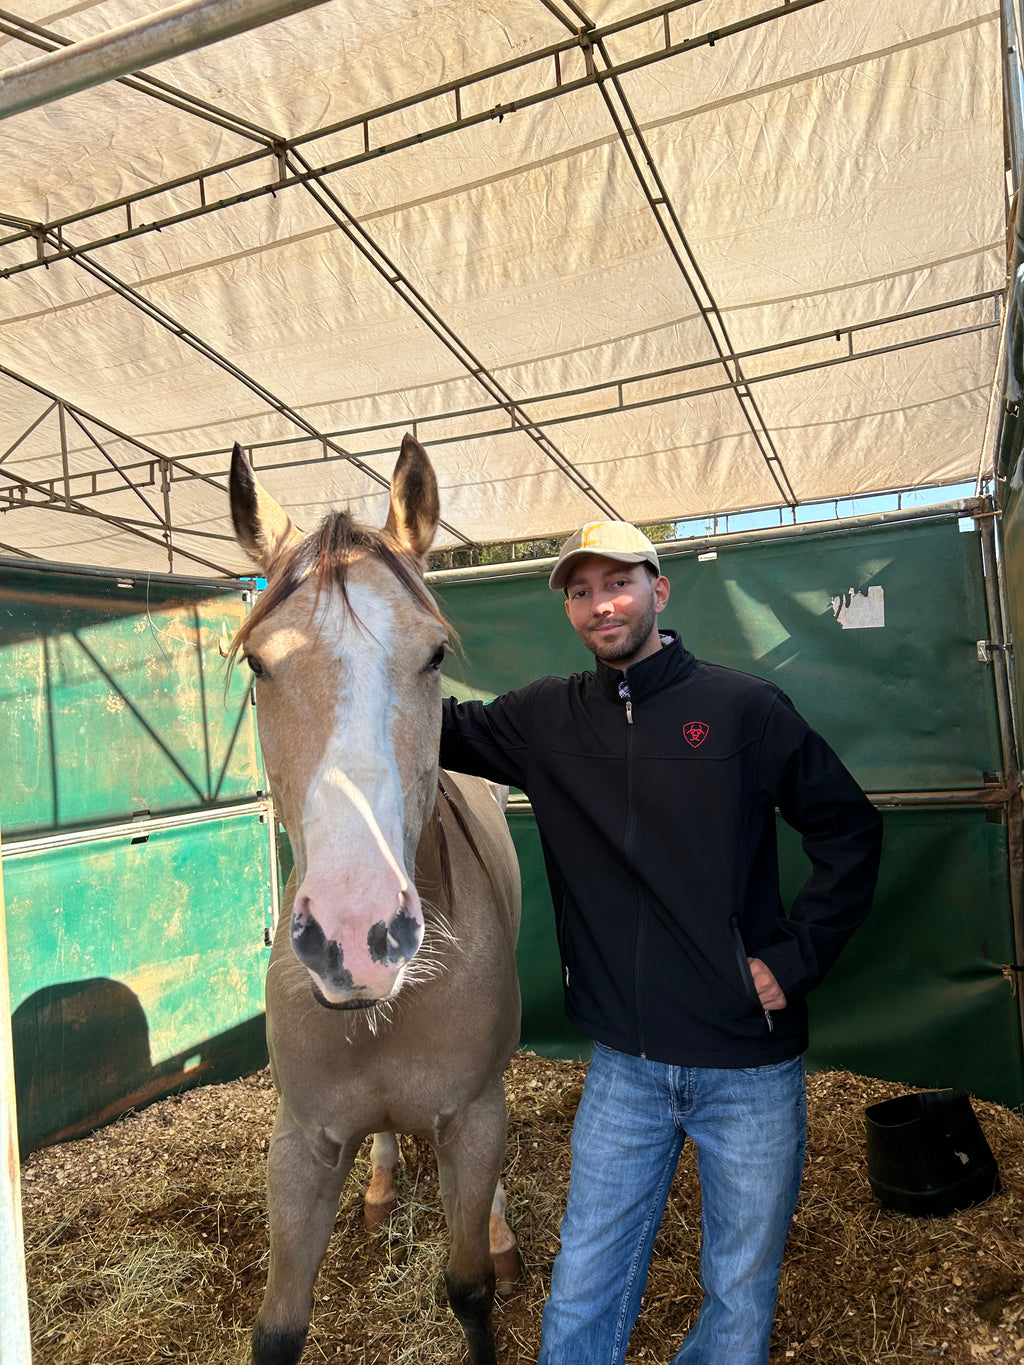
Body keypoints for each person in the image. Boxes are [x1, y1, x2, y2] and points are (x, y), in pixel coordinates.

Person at [439, 520, 883, 1365]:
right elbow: (435, 725)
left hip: (747, 1068)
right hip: (626, 1071)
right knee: (581, 1287)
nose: (601, 603)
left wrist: (794, 959)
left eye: (618, 583)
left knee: (737, 1293)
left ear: (659, 590)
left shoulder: (742, 708)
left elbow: (850, 830)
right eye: (580, 590)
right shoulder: (544, 718)